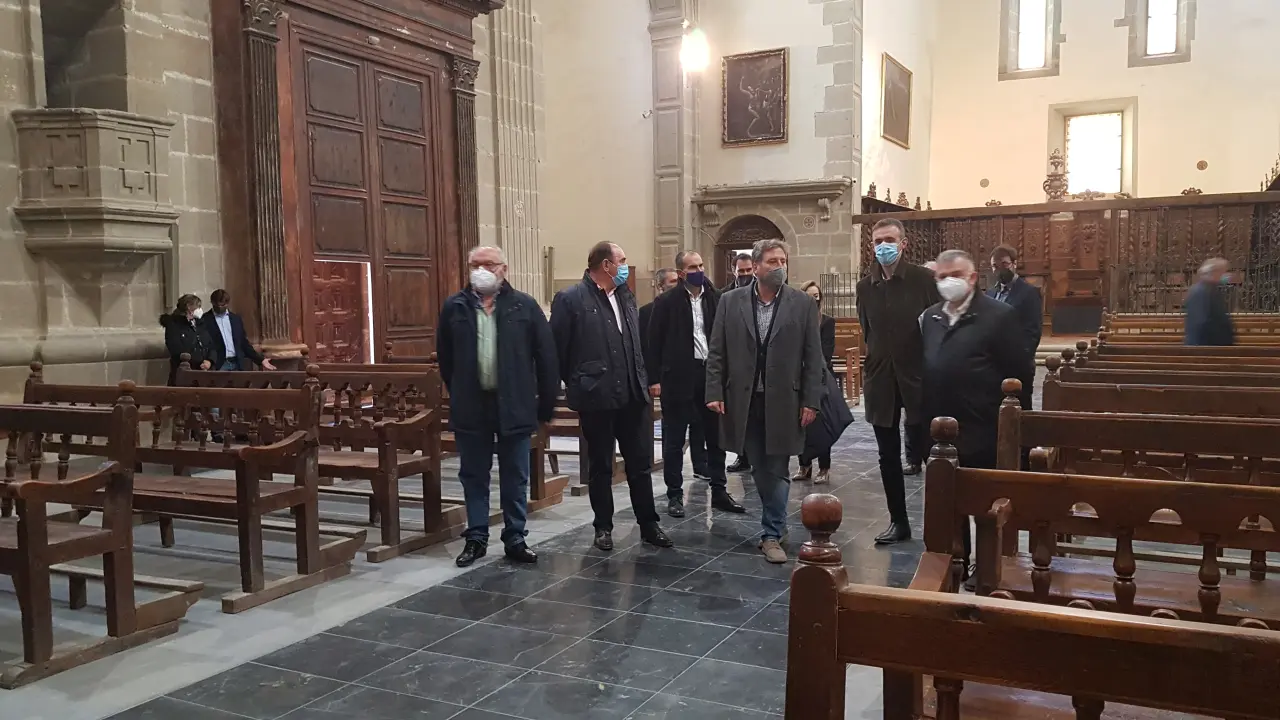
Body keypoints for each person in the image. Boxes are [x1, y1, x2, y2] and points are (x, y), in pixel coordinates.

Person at [438, 246, 559, 567]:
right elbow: (446, 359)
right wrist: (460, 391)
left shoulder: (524, 305)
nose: (481, 270)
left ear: (503, 269)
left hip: (515, 404)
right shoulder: (454, 307)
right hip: (472, 406)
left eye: (489, 264)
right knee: (474, 475)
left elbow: (546, 357)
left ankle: (515, 536)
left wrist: (545, 406)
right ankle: (476, 537)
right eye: (475, 265)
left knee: (515, 475)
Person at [706, 239, 824, 563]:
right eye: (772, 261)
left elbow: (813, 357)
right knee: (759, 466)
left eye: (783, 261)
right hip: (745, 399)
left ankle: (772, 533)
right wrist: (714, 391)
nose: (779, 267)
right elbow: (717, 350)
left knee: (778, 466)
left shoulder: (801, 303)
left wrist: (811, 400)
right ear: (755, 267)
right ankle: (776, 525)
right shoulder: (730, 302)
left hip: (785, 399)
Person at [551, 242, 672, 552]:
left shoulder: (625, 296)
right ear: (606, 265)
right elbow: (558, 350)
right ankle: (603, 526)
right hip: (597, 398)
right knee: (601, 466)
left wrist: (643, 378)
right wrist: (580, 382)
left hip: (632, 395)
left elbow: (636, 343)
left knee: (639, 464)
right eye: (622, 260)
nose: (625, 266)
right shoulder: (571, 299)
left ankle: (649, 524)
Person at [920, 249, 1024, 582]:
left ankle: (990, 565)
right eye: (941, 276)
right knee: (948, 502)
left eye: (955, 275)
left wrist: (1011, 429)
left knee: (985, 504)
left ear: (973, 278)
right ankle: (957, 561)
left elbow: (1019, 373)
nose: (947, 282)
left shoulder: (999, 316)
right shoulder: (930, 317)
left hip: (983, 425)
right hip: (941, 428)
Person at [856, 218, 940, 545]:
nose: (883, 246)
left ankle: (943, 525)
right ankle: (898, 521)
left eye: (889, 240)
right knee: (887, 455)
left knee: (932, 453)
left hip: (919, 376)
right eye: (878, 241)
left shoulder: (924, 280)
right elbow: (868, 331)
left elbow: (938, 327)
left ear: (903, 243)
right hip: (881, 378)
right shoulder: (866, 287)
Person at [646, 251, 745, 518]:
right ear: (681, 273)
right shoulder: (666, 302)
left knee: (715, 437)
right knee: (675, 440)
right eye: (693, 267)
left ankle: (720, 491)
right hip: (678, 377)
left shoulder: (716, 298)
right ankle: (675, 494)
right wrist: (654, 379)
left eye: (701, 265)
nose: (699, 270)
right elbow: (653, 343)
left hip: (710, 375)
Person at [987, 246, 1042, 413]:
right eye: (995, 266)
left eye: (1004, 264)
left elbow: (1033, 331)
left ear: (1014, 264)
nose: (1000, 269)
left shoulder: (1029, 293)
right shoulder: (990, 293)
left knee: (1021, 411)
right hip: (993, 365)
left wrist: (1019, 358)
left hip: (1018, 365)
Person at [793, 281, 836, 483]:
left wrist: (810, 367)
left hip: (820, 378)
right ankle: (804, 465)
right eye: (810, 296)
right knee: (800, 424)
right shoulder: (795, 321)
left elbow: (825, 352)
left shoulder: (827, 322)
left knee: (821, 425)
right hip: (798, 378)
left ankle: (824, 467)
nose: (814, 300)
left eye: (816, 296)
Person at [724, 252, 757, 473]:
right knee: (739, 416)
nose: (745, 274)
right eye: (741, 271)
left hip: (757, 361)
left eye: (748, 270)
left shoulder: (761, 292)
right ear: (733, 271)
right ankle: (742, 456)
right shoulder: (725, 295)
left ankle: (757, 457)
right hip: (735, 362)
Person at [203, 289, 276, 372]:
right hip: (219, 365)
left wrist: (260, 360)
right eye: (217, 305)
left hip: (237, 363)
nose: (220, 308)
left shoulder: (235, 319)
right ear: (212, 303)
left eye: (222, 305)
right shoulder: (205, 320)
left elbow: (243, 343)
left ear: (227, 304)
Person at [160, 294, 215, 385]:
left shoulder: (200, 323)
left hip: (204, 373)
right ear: (189, 307)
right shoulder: (174, 325)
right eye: (197, 307)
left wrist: (209, 361)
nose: (200, 309)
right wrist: (196, 360)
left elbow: (210, 344)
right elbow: (175, 348)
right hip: (185, 373)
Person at [1184, 257, 1235, 346]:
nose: (1226, 275)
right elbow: (1201, 323)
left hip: (1211, 347)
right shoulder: (1201, 291)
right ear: (1214, 272)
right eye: (1223, 272)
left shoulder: (1210, 289)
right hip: (1206, 347)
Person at [639, 268, 678, 355]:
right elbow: (645, 344)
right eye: (673, 281)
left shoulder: (685, 307)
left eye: (679, 281)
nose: (677, 285)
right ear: (660, 286)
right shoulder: (646, 311)